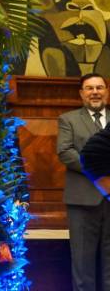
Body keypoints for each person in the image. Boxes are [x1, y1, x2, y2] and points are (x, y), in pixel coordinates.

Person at [57, 73, 110, 291]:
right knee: (82, 261)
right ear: (81, 93)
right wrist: (100, 174)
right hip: (82, 200)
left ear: (106, 91)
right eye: (90, 88)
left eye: (100, 87)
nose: (95, 92)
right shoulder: (68, 119)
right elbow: (65, 152)